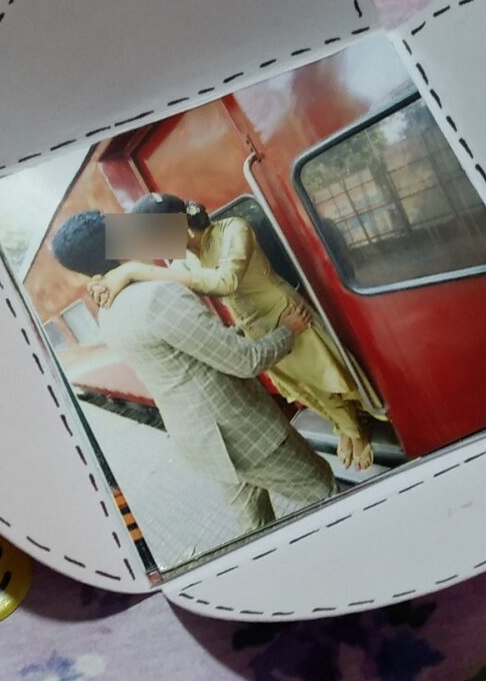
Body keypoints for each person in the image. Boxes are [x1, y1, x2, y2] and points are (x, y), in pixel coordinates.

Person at [49, 209, 336, 538]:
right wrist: (288, 330)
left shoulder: (108, 311)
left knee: (255, 525)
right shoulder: (158, 295)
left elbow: (192, 352)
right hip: (243, 434)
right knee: (322, 488)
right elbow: (246, 362)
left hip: (205, 442)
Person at [88, 194, 376, 470]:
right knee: (304, 387)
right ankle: (342, 427)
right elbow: (160, 287)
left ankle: (355, 429)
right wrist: (106, 280)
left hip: (284, 312)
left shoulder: (234, 229)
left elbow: (227, 282)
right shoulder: (182, 261)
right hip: (254, 328)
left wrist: (135, 271)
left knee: (322, 378)